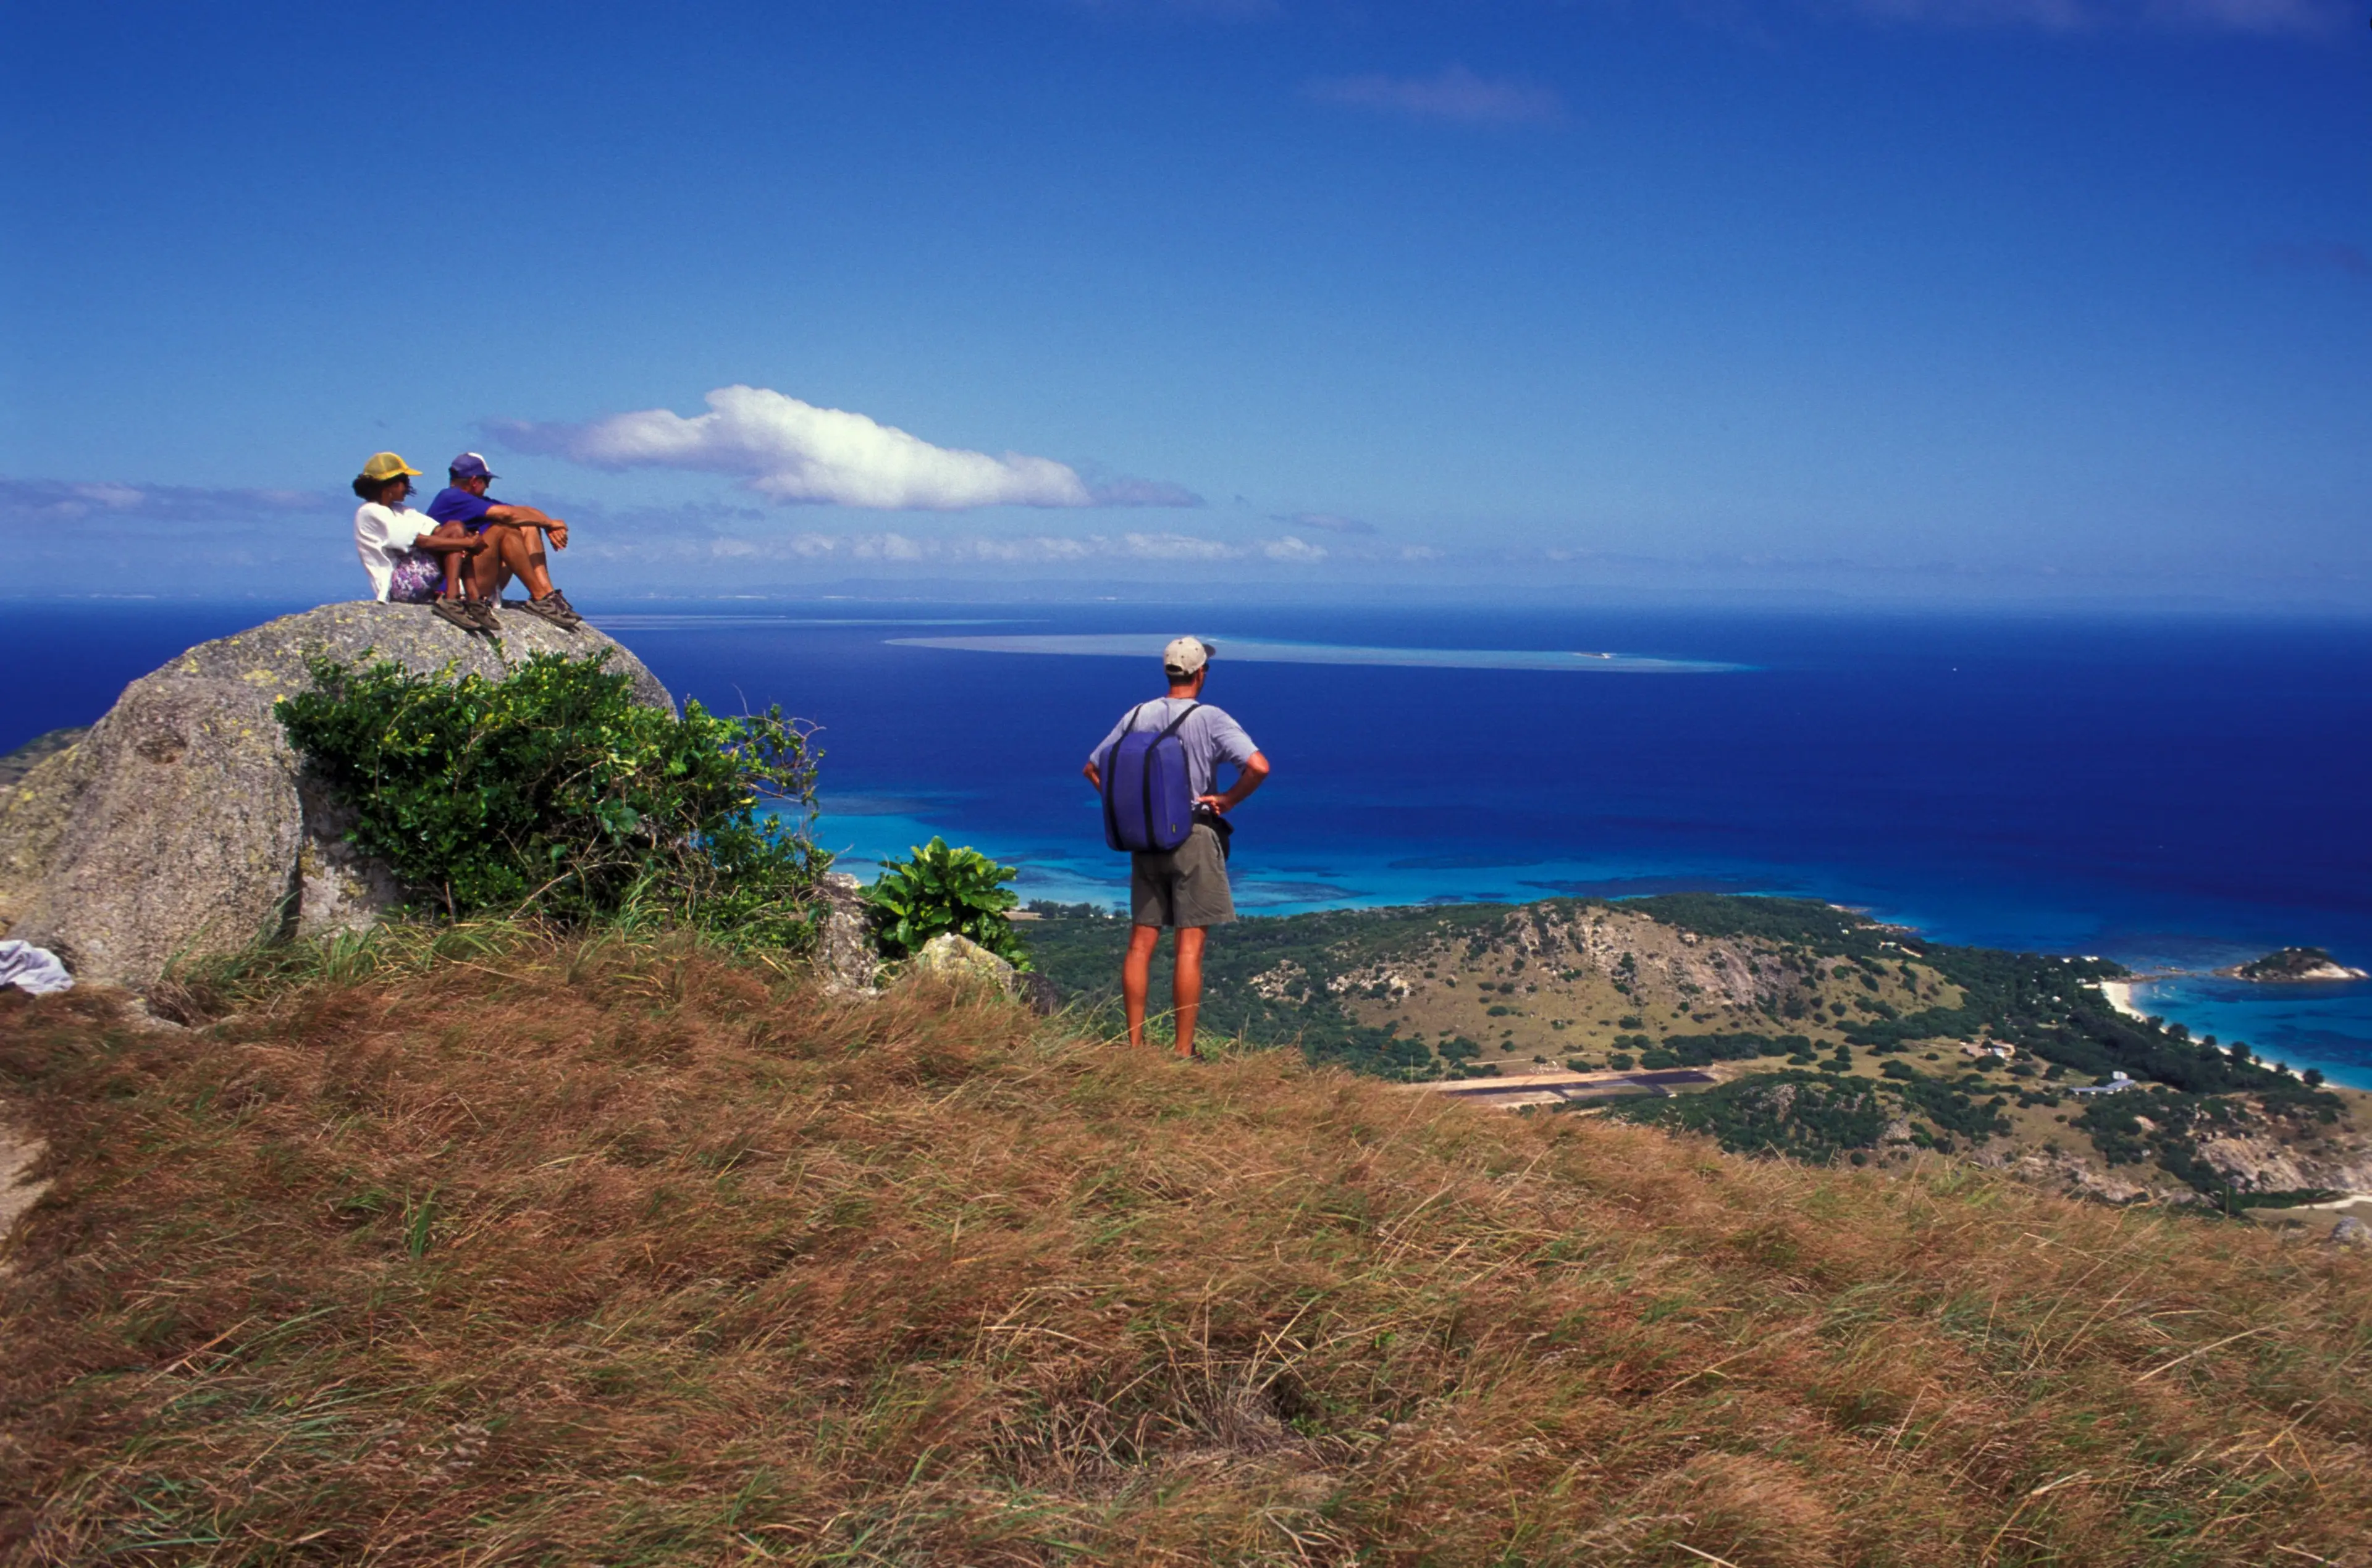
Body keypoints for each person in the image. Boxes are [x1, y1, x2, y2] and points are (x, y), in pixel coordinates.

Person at [1082, 637, 1270, 1059]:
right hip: (1192, 836)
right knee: (1189, 948)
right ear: (1201, 673)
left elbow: (1093, 768)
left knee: (1139, 944)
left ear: (1167, 671)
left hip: (1144, 841)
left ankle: (1134, 1046)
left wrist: (1129, 808)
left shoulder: (1137, 714)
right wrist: (1228, 800)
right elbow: (1258, 766)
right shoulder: (1211, 717)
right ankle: (1183, 1052)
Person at [424, 452, 581, 628]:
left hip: (479, 578)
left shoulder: (477, 501)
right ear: (475, 481)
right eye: (487, 482)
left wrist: (549, 525)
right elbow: (508, 515)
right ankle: (539, 597)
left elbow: (524, 513)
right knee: (503, 530)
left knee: (528, 525)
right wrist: (551, 523)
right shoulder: (450, 497)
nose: (488, 488)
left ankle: (547, 594)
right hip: (458, 584)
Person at [351, 452, 487, 630]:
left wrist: (469, 538)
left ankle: (473, 599)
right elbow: (421, 541)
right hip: (397, 585)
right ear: (391, 485)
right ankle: (452, 599)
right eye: (405, 482)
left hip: (411, 576)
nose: (408, 488)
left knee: (456, 528)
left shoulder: (400, 510)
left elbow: (436, 530)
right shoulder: (370, 512)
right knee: (455, 538)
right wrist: (467, 544)